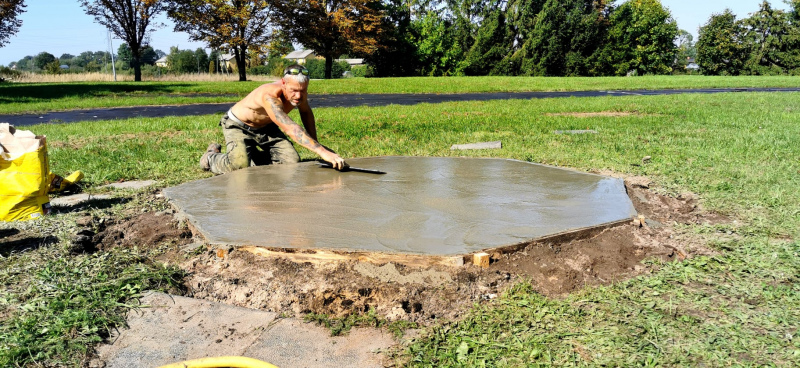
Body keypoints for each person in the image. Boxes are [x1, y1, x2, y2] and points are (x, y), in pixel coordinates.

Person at [200, 64, 348, 174]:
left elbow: (306, 113)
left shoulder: (300, 94)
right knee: (239, 167)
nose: (298, 96)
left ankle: (250, 155)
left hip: (266, 127)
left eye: (303, 90)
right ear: (284, 83)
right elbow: (290, 128)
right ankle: (211, 157)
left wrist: (317, 145)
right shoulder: (270, 96)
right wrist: (322, 152)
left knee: (291, 162)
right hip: (239, 126)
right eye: (294, 91)